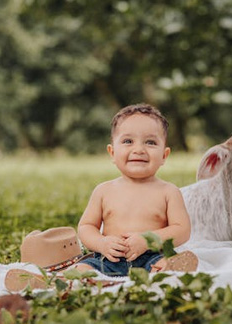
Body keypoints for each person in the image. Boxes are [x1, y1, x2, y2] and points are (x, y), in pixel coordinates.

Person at [75, 103, 197, 276]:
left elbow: (182, 230)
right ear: (112, 153)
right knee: (82, 269)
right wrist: (102, 243)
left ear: (164, 155)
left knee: (167, 264)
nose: (139, 149)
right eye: (127, 141)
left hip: (152, 257)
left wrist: (148, 240)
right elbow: (86, 227)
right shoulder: (103, 191)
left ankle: (169, 272)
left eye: (150, 142)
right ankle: (84, 278)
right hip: (110, 258)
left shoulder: (169, 191)